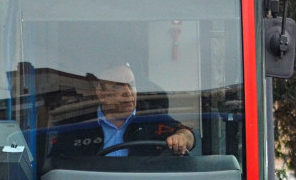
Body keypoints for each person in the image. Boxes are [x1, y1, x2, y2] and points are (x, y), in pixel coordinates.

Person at [45, 62, 194, 162]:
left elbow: (188, 135)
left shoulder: (152, 117)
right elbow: (57, 165)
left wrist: (181, 137)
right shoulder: (78, 125)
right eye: (118, 87)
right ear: (100, 92)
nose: (128, 93)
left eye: (132, 85)